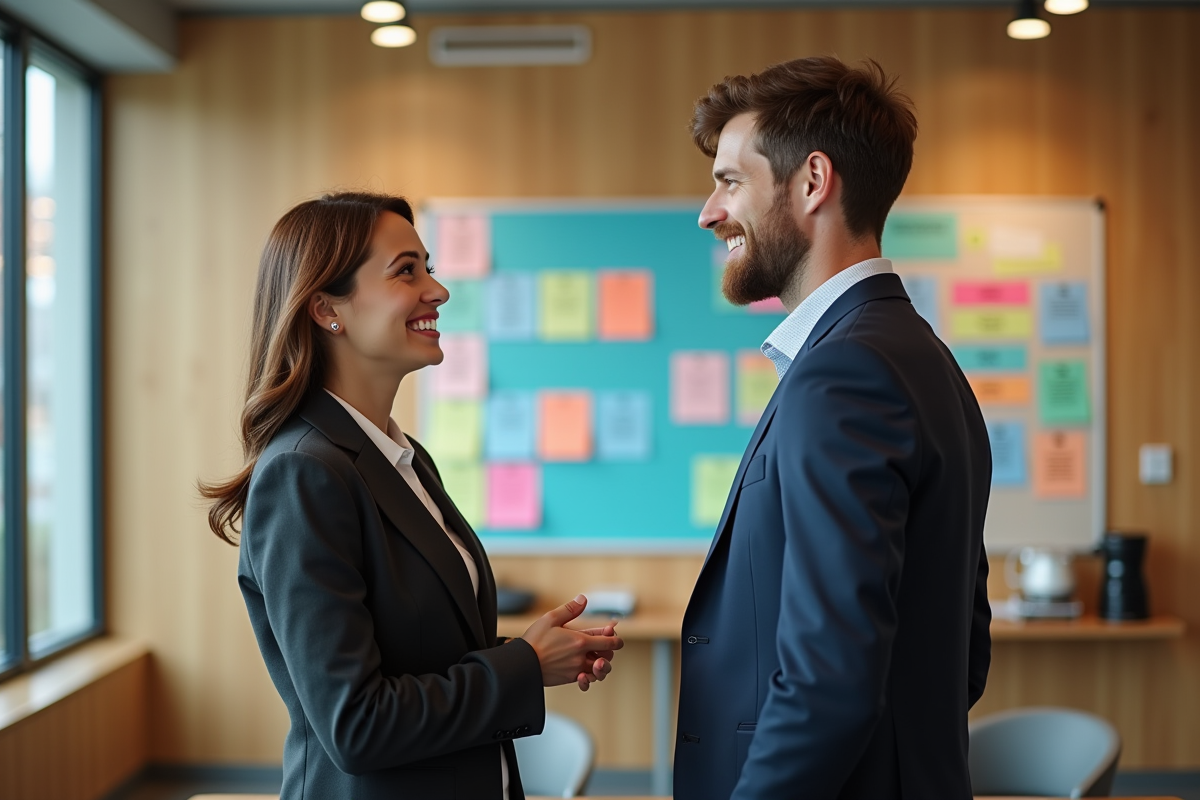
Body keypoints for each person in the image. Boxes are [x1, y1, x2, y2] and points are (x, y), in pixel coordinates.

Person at [201, 191, 623, 800]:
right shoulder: (304, 474)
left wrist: (540, 655)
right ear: (326, 309)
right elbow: (357, 724)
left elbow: (417, 657)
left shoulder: (403, 459)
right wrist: (521, 667)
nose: (438, 290)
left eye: (429, 266)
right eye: (407, 270)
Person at [674, 57, 992, 800]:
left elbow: (829, 680)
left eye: (729, 181)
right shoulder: (920, 356)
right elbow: (962, 651)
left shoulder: (844, 373)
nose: (708, 212)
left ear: (812, 182)